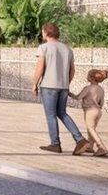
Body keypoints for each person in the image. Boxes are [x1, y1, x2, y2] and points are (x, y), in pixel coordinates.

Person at [32, 23, 88, 155]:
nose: (42, 34)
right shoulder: (67, 49)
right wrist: (65, 83)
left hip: (49, 86)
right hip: (63, 87)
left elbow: (40, 68)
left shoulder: (43, 48)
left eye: (42, 32)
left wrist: (34, 83)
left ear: (46, 33)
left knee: (51, 115)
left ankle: (55, 144)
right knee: (62, 113)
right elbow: (72, 70)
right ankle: (80, 140)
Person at [70, 69, 108, 157]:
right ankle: (90, 147)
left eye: (88, 75)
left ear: (91, 78)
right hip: (98, 111)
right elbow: (101, 103)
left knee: (91, 129)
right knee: (91, 129)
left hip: (90, 111)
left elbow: (78, 97)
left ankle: (101, 147)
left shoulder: (88, 88)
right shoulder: (101, 89)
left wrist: (68, 93)